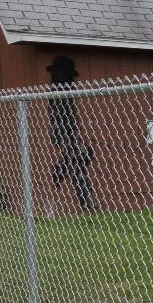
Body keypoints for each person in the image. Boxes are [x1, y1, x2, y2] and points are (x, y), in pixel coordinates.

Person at [46, 57, 96, 209]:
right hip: (61, 133)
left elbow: (70, 118)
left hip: (68, 133)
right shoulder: (58, 93)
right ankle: (86, 200)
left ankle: (59, 171)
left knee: (85, 154)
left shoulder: (65, 93)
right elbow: (57, 118)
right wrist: (65, 135)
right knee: (77, 161)